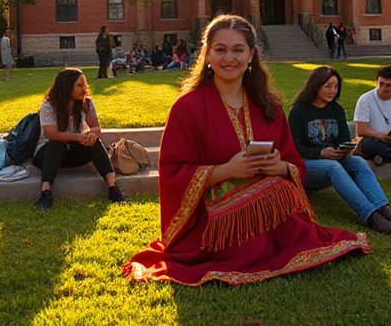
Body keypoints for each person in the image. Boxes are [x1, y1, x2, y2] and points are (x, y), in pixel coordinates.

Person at [125, 15, 369, 286]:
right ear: (206, 55)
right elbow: (172, 170)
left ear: (251, 55)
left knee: (278, 192)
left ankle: (275, 243)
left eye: (238, 49)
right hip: (211, 217)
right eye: (220, 49)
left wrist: (279, 167)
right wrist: (225, 171)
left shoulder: (270, 107)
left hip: (271, 205)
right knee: (263, 206)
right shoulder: (187, 108)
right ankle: (250, 248)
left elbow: (294, 161)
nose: (229, 57)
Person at [289, 66, 391, 233]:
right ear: (316, 85)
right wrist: (320, 153)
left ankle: (384, 209)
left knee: (357, 161)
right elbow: (293, 147)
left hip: (332, 158)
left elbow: (343, 140)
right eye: (328, 86)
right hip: (305, 165)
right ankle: (371, 217)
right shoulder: (299, 111)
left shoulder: (336, 109)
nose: (333, 91)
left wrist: (345, 150)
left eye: (336, 87)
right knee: (332, 167)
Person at [33, 68, 129, 210]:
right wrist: (78, 137)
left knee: (94, 142)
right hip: (47, 154)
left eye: (85, 85)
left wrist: (91, 136)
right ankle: (45, 193)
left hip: (74, 151)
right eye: (79, 85)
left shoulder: (87, 103)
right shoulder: (49, 105)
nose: (84, 89)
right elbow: (51, 134)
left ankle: (113, 188)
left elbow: (96, 128)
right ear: (66, 86)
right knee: (56, 144)